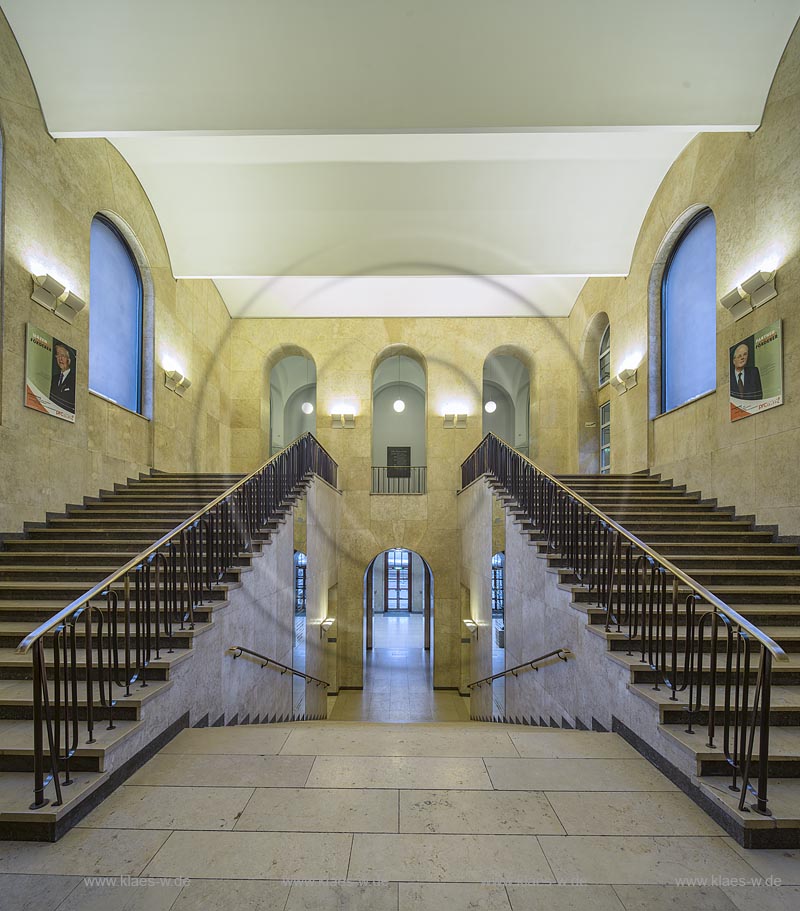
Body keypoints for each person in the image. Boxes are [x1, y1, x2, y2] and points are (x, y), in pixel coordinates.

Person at [49, 342, 76, 412]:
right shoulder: (54, 378)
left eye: (63, 355)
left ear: (68, 360)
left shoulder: (74, 379)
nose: (60, 359)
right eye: (58, 355)